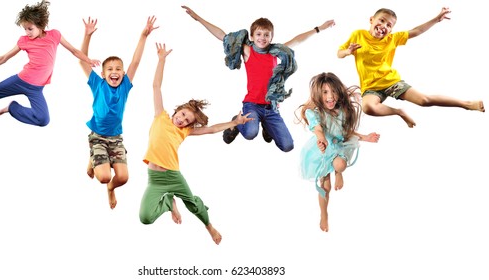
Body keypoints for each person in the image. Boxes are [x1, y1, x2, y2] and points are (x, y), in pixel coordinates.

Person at [139, 43, 253, 245]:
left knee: (191, 203)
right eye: (182, 115)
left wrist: (235, 122)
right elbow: (156, 86)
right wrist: (162, 60)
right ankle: (168, 202)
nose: (182, 120)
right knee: (145, 218)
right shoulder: (160, 116)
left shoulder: (185, 131)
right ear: (176, 111)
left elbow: (210, 129)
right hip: (154, 179)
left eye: (187, 120)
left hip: (173, 176)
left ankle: (209, 226)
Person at [182, 5, 335, 152]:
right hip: (252, 105)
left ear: (271, 37)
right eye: (259, 34)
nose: (262, 38)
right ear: (252, 36)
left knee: (288, 146)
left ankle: (268, 127)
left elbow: (298, 39)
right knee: (250, 133)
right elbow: (222, 36)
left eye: (266, 35)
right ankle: (236, 122)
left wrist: (319, 28)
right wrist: (198, 18)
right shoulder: (247, 51)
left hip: (271, 108)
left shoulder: (276, 52)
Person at [0, 0, 100, 126]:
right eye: (25, 29)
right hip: (20, 81)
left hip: (37, 88)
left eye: (30, 29)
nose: (27, 33)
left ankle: (12, 108)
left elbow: (73, 51)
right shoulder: (24, 41)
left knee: (43, 119)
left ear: (41, 25)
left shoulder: (55, 35)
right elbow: (4, 57)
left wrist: (88, 60)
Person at [338, 7, 484, 128]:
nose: (384, 26)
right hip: (370, 87)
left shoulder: (392, 39)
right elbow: (339, 53)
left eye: (389, 25)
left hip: (391, 82)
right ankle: (399, 112)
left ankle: (467, 104)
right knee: (368, 108)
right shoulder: (358, 35)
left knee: (424, 101)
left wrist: (436, 19)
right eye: (381, 21)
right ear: (372, 20)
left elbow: (416, 31)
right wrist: (348, 51)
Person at [79, 16, 158, 209]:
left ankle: (110, 189)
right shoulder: (97, 84)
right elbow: (83, 61)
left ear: (123, 74)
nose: (115, 72)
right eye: (110, 69)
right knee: (104, 177)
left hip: (115, 138)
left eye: (118, 69)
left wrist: (143, 35)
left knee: (122, 178)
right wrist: (87, 35)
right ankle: (93, 158)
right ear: (103, 74)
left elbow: (136, 62)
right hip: (97, 136)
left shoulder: (124, 86)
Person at [297, 72, 380, 232]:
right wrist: (321, 139)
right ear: (318, 95)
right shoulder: (314, 112)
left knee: (340, 164)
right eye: (325, 92)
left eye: (333, 91)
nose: (330, 97)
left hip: (339, 146)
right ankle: (323, 214)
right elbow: (317, 128)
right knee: (325, 186)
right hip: (323, 148)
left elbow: (347, 132)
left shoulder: (341, 111)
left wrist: (365, 137)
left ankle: (338, 172)